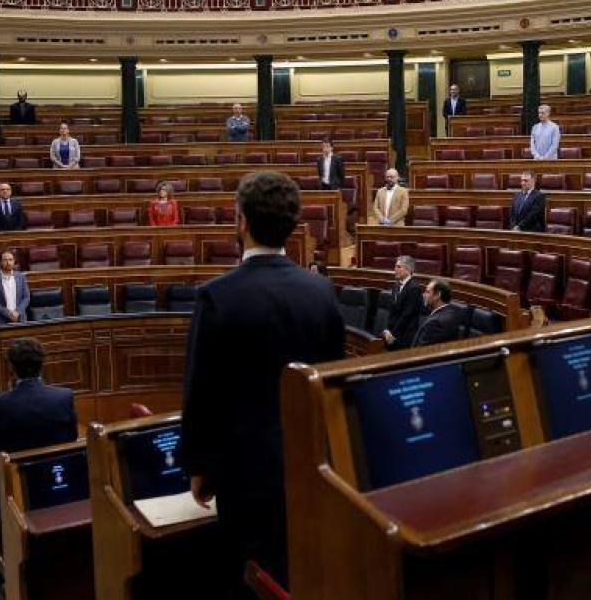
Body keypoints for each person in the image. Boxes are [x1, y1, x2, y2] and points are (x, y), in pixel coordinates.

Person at [180, 171, 344, 593]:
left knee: (249, 576)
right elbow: (332, 382)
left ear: (241, 222)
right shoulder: (321, 291)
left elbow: (202, 391)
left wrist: (199, 466)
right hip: (310, 466)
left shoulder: (216, 296)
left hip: (244, 474)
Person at [0, 338, 78, 474]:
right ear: (41, 365)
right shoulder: (64, 397)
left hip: (17, 482)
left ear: (11, 368)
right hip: (59, 474)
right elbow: (72, 439)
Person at [381, 256, 423, 350]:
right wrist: (387, 330)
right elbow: (392, 312)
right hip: (392, 334)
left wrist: (393, 334)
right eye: (395, 266)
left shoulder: (414, 288)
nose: (395, 269)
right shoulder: (396, 285)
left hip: (405, 337)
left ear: (408, 269)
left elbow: (406, 315)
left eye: (399, 267)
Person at [0, 250, 31, 325]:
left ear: (14, 261)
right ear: (0, 262)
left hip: (19, 317)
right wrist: (8, 314)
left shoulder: (21, 277)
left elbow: (26, 297)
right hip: (0, 318)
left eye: (10, 260)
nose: (8, 263)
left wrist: (17, 312)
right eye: (5, 260)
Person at [414, 279, 463, 347]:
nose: (424, 295)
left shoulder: (435, 323)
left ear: (437, 295)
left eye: (427, 292)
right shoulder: (451, 312)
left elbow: (420, 352)